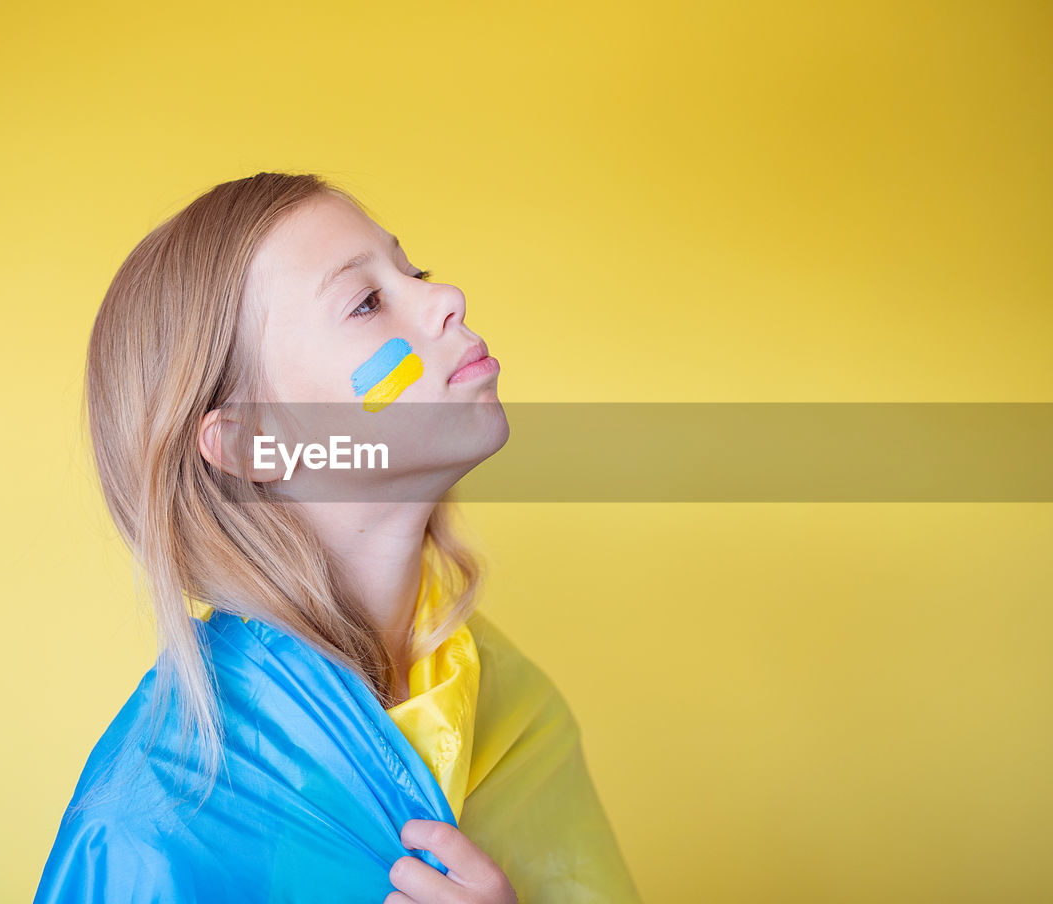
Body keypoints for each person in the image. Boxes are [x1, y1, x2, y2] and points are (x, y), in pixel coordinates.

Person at [34, 172, 644, 903]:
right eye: (366, 302)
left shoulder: (510, 711)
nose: (447, 297)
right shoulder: (149, 827)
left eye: (413, 270)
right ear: (254, 444)